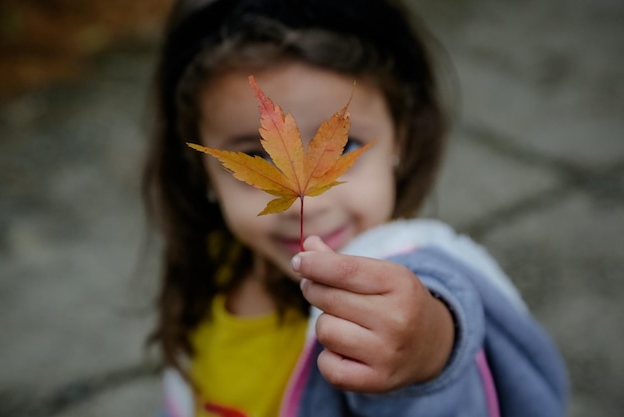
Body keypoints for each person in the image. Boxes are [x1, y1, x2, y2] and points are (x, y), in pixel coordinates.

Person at [143, 0, 569, 416]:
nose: (307, 202)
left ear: (401, 137)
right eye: (256, 153)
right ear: (200, 167)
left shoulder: (409, 266)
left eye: (346, 145)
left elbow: (441, 306)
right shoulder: (216, 261)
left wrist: (428, 351)